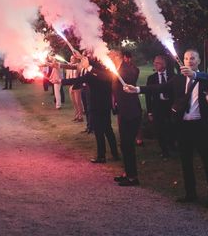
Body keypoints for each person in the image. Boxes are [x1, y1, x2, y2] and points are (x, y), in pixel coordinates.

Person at [125, 49, 208, 203]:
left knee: (206, 161)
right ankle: (191, 194)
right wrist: (137, 89)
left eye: (192, 58)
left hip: (201, 127)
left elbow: (205, 76)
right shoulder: (178, 79)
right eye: (186, 58)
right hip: (184, 126)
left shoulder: (205, 78)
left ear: (199, 61)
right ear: (183, 60)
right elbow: (158, 88)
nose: (189, 61)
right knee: (186, 161)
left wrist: (195, 75)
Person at [62, 55, 119, 163]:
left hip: (99, 106)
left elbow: (80, 79)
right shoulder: (100, 72)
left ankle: (103, 156)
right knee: (107, 130)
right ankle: (113, 154)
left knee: (101, 131)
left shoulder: (101, 72)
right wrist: (61, 81)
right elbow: (78, 80)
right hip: (102, 105)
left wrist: (62, 81)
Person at [110, 50, 141, 186]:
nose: (108, 56)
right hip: (123, 112)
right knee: (124, 144)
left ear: (118, 56)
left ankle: (133, 177)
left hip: (132, 112)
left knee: (128, 144)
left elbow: (134, 74)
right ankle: (127, 173)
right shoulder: (114, 69)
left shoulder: (128, 69)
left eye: (111, 54)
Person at [145, 55, 176, 158]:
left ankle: (172, 146)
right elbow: (148, 96)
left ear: (164, 64)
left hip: (170, 106)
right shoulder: (151, 78)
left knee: (172, 127)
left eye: (157, 63)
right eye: (154, 62)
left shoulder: (173, 76)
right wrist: (149, 111)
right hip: (158, 107)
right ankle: (164, 150)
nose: (155, 64)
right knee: (160, 128)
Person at [66, 55, 84, 122]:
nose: (71, 60)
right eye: (71, 58)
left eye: (73, 58)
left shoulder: (78, 65)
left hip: (77, 86)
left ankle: (80, 116)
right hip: (71, 86)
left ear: (76, 59)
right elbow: (68, 76)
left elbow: (78, 69)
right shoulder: (69, 66)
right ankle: (76, 115)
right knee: (74, 102)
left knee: (78, 102)